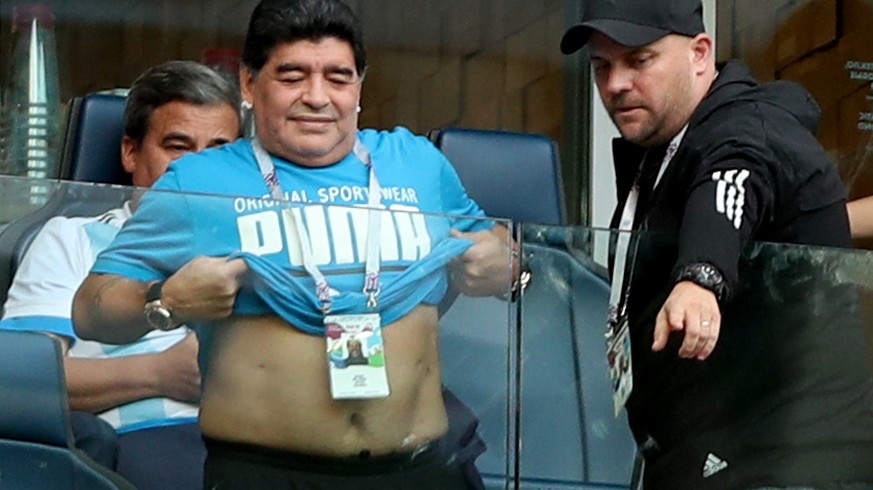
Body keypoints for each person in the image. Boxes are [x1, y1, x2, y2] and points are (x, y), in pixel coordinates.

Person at [72, 0, 515, 488]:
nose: (317, 97)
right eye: (292, 76)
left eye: (338, 77)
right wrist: (167, 301)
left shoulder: (419, 164)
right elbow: (91, 307)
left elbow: (499, 247)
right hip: (268, 474)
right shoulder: (198, 182)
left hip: (422, 469)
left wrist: (504, 263)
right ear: (248, 83)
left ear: (359, 86)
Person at [561, 0, 873, 488]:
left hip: (783, 464)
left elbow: (732, 182)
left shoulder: (742, 126)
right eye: (602, 66)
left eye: (639, 60)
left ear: (700, 54)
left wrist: (701, 277)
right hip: (704, 454)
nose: (616, 84)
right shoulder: (663, 145)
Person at [0, 60, 241, 489]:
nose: (199, 171)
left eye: (220, 150)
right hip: (140, 444)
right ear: (131, 152)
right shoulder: (71, 239)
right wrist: (158, 373)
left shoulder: (267, 241)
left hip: (260, 443)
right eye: (179, 147)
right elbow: (21, 385)